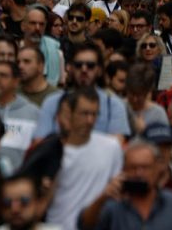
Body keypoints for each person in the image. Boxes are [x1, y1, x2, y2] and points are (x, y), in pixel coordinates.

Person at [42, 88, 123, 230]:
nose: (90, 120)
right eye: (84, 114)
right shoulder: (51, 150)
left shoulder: (112, 147)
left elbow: (116, 191)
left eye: (94, 114)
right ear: (70, 114)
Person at [78, 140, 172, 230]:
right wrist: (103, 196)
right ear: (124, 170)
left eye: (145, 167)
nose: (139, 173)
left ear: (157, 169)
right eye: (133, 168)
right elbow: (85, 226)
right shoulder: (113, 207)